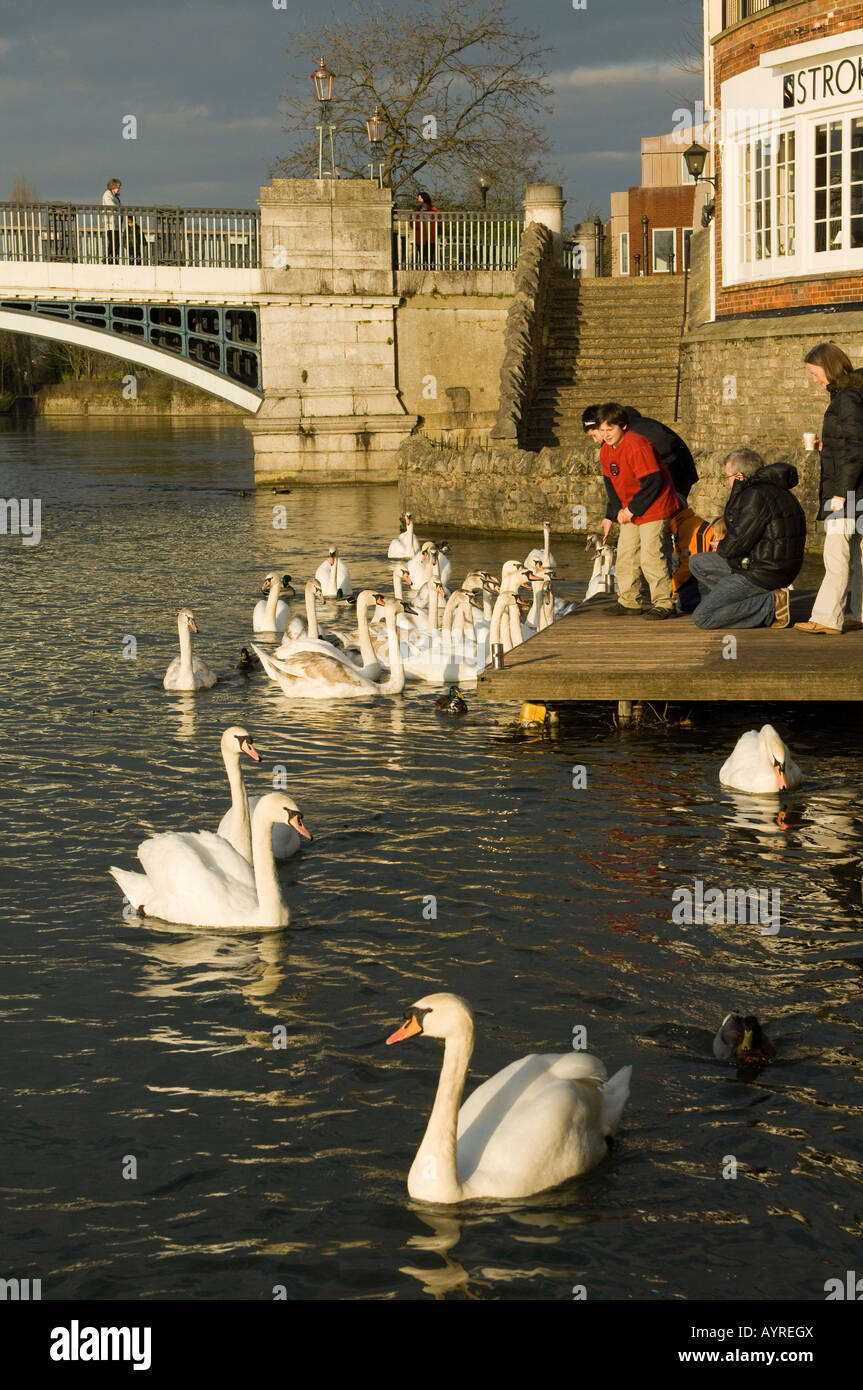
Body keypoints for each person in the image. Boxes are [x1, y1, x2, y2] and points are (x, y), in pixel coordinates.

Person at [688, 449, 806, 630]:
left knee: (703, 617)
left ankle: (770, 605)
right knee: (697, 562)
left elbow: (736, 543)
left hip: (762, 572)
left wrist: (722, 545)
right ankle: (741, 603)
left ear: (740, 476)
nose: (727, 483)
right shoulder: (778, 490)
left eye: (728, 477)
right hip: (773, 565)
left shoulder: (755, 496)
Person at [793, 342, 863, 635]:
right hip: (857, 490)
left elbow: (856, 449)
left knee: (835, 554)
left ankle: (826, 617)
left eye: (815, 372)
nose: (814, 379)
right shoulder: (852, 394)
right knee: (858, 553)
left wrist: (839, 493)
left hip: (845, 491)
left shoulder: (846, 399)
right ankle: (858, 612)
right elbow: (849, 444)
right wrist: (825, 446)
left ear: (829, 367)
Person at [596, 401, 681, 618]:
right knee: (625, 554)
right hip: (631, 509)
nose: (606, 435)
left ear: (623, 426)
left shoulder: (637, 445)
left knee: (651, 556)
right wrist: (617, 511)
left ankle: (664, 603)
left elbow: (653, 481)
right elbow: (610, 483)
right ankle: (630, 601)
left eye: (610, 429)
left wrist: (632, 509)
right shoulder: (606, 451)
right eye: (603, 430)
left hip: (654, 505)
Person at [623, 406, 698, 501]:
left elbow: (666, 446)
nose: (597, 440)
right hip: (681, 467)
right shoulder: (642, 425)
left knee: (672, 508)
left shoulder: (636, 430)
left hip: (676, 469)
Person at [668, 507, 723, 612]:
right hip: (704, 572)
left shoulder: (689, 527)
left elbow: (693, 564)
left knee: (682, 602)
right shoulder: (685, 524)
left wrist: (673, 588)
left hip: (710, 574)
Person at [411, 190, 440, 267]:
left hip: (431, 236)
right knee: (422, 254)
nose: (418, 200)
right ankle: (424, 266)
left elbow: (439, 221)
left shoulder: (433, 209)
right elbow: (412, 222)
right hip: (420, 236)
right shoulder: (416, 210)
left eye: (420, 198)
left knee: (430, 255)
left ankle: (430, 266)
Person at [101, 178, 122, 263]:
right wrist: (119, 209)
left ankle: (114, 259)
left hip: (116, 223)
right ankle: (108, 260)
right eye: (118, 187)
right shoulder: (107, 194)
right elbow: (111, 205)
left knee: (116, 243)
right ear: (113, 186)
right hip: (110, 223)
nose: (119, 189)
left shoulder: (115, 196)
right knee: (113, 243)